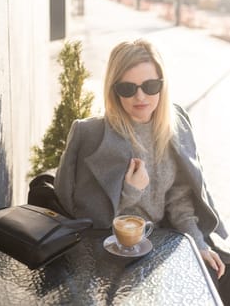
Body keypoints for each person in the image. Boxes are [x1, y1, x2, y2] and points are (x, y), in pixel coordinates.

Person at [54, 39, 230, 305]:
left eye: (151, 86)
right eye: (128, 88)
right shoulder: (90, 135)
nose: (141, 97)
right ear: (114, 90)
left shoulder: (176, 124)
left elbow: (180, 200)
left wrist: (199, 245)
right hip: (112, 255)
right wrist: (131, 192)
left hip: (166, 243)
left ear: (163, 84)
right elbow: (86, 220)